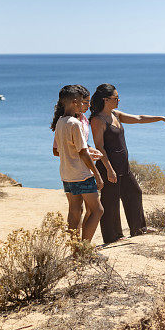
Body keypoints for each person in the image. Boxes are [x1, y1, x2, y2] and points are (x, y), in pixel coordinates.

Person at [89, 84, 165, 244]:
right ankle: (113, 237)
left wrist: (161, 118)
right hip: (109, 167)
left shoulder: (115, 114)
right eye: (115, 98)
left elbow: (138, 118)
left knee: (134, 193)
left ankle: (138, 229)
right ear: (105, 99)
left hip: (123, 165)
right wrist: (109, 169)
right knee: (110, 201)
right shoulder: (98, 120)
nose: (118, 100)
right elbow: (99, 147)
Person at [51, 85, 104, 241]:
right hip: (81, 174)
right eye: (83, 102)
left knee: (75, 211)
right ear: (75, 102)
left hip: (67, 174)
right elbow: (82, 152)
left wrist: (88, 150)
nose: (85, 105)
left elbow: (65, 149)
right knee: (97, 210)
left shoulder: (60, 122)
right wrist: (97, 174)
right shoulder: (75, 124)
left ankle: (75, 250)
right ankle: (84, 248)